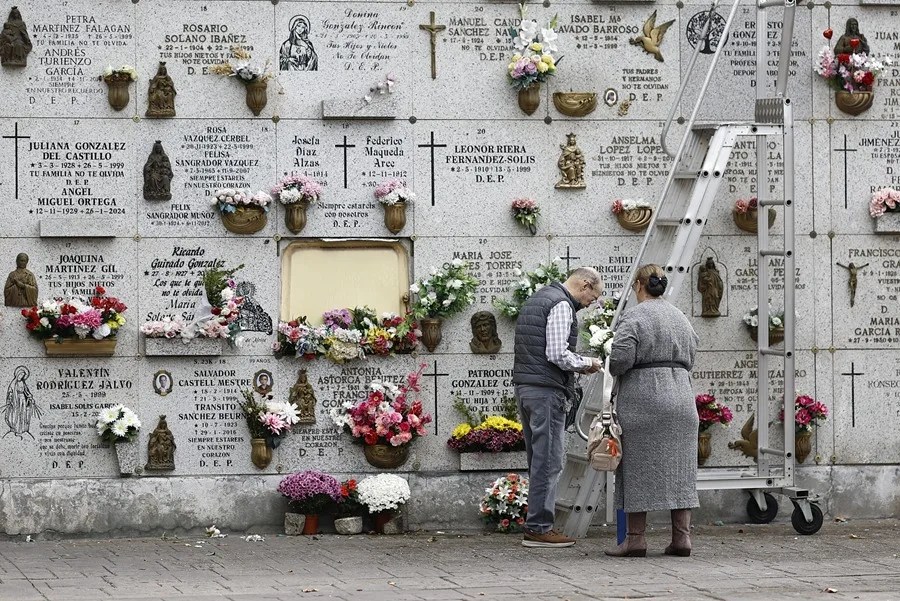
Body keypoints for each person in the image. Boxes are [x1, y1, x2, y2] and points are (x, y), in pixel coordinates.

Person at [605, 264, 700, 558]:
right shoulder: (680, 316)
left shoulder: (634, 316)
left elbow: (620, 360)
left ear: (638, 285)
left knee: (636, 467)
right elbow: (692, 354)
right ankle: (681, 539)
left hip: (644, 401)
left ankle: (635, 540)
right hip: (682, 399)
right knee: (681, 469)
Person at [513, 266, 603, 548]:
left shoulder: (539, 297)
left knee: (538, 459)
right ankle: (539, 527)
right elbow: (556, 354)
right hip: (546, 391)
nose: (591, 304)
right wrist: (587, 363)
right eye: (593, 297)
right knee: (549, 461)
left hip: (526, 387)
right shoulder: (562, 304)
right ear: (585, 285)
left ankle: (537, 524)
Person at [4, 366, 40, 439]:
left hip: (23, 399)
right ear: (17, 374)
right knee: (16, 414)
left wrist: (30, 397)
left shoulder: (23, 383)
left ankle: (22, 429)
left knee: (23, 414)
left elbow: (26, 391)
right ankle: (16, 429)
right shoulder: (13, 383)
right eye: (20, 375)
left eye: (23, 375)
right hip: (16, 400)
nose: (21, 376)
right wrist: (10, 400)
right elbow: (10, 392)